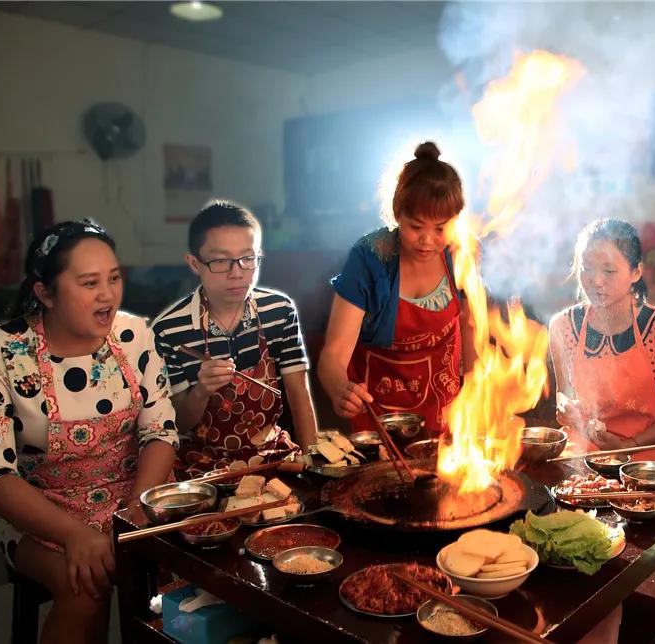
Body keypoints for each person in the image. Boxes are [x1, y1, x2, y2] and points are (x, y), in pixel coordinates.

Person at [0, 220, 178, 644]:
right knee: (85, 586)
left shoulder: (134, 336)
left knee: (192, 574)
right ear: (45, 294)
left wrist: (131, 515)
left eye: (114, 278)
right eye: (89, 282)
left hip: (134, 500)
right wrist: (77, 535)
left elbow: (161, 433)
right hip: (40, 514)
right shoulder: (0, 352)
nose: (108, 294)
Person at [318, 142, 475, 436]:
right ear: (397, 215)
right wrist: (340, 390)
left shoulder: (462, 254)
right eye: (416, 227)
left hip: (447, 413)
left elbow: (470, 327)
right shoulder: (370, 258)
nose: (428, 240)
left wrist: (478, 389)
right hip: (378, 416)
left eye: (440, 228)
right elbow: (333, 355)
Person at [152, 201, 319, 477]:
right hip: (204, 467)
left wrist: (315, 463)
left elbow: (299, 394)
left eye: (248, 258)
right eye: (220, 261)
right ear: (194, 264)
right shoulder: (169, 329)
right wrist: (201, 391)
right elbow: (179, 423)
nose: (237, 272)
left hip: (272, 456)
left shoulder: (279, 311)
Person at [549, 219, 655, 461]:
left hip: (642, 459)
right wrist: (564, 406)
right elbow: (564, 392)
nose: (595, 281)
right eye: (586, 268)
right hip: (580, 456)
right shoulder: (562, 327)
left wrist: (628, 445)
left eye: (609, 271)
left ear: (636, 272)